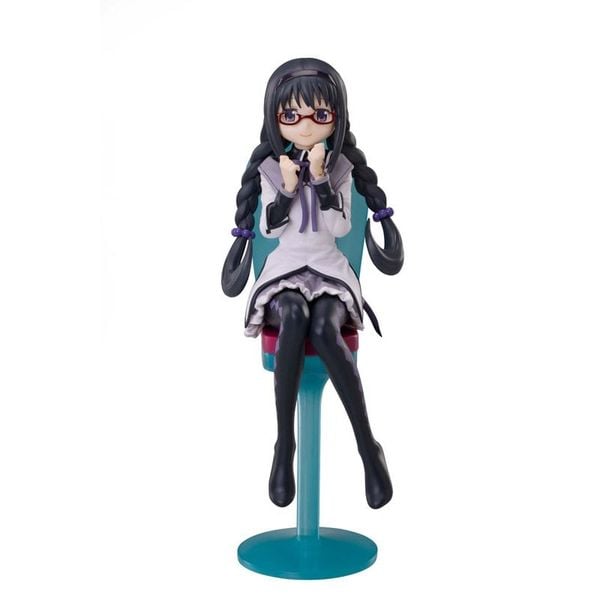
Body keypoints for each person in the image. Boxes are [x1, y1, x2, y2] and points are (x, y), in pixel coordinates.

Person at [222, 58, 403, 509]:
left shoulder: (341, 170)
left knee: (323, 326)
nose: (305, 126)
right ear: (275, 118)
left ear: (337, 118)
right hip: (285, 268)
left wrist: (321, 180)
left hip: (329, 269)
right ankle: (284, 445)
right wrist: (287, 188)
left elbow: (341, 228)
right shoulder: (270, 169)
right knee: (293, 314)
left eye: (319, 115)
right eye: (291, 116)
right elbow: (271, 229)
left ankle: (368, 448)